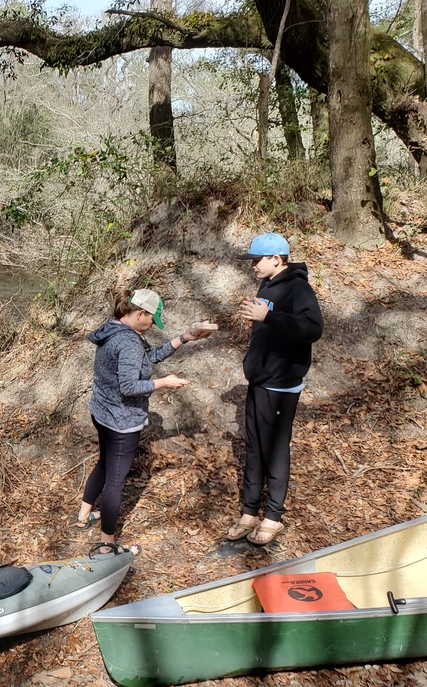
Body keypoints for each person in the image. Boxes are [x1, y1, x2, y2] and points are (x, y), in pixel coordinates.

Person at [75, 288, 214, 554]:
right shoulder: (128, 342)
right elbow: (129, 386)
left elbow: (146, 358)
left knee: (104, 463)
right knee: (115, 482)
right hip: (121, 421)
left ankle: (83, 517)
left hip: (102, 413)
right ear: (140, 313)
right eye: (151, 320)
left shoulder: (113, 329)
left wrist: (183, 339)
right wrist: (164, 382)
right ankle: (107, 546)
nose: (152, 325)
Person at [226, 233, 323, 546]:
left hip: (281, 385)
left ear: (277, 259)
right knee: (254, 447)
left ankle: (274, 517)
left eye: (258, 260)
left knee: (276, 450)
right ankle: (249, 511)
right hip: (260, 380)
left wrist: (269, 316)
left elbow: (313, 328)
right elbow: (269, 327)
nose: (253, 266)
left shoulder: (298, 288)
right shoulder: (267, 284)